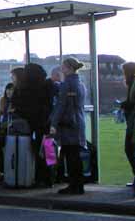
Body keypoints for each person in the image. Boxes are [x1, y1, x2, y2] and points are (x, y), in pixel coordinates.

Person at [12, 63, 54, 187]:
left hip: (31, 124)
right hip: (46, 123)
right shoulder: (47, 86)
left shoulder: (22, 88)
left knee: (36, 151)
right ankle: (52, 176)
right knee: (49, 151)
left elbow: (17, 105)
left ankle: (39, 177)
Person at [50, 57, 87, 195]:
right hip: (79, 122)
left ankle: (73, 185)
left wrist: (53, 122)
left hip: (68, 124)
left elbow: (61, 105)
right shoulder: (80, 84)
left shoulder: (66, 84)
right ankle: (79, 185)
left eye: (63, 67)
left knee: (69, 155)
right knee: (75, 155)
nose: (61, 69)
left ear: (69, 68)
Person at [121, 62, 135, 188]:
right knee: (131, 149)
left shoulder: (134, 82)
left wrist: (124, 105)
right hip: (132, 120)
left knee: (130, 148)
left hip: (134, 122)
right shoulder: (132, 82)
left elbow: (133, 102)